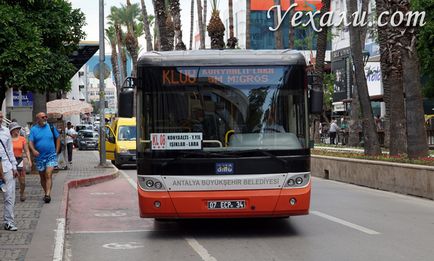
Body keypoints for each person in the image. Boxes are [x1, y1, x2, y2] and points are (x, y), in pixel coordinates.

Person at [29, 112, 60, 203]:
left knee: (48, 174)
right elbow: (30, 142)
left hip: (51, 155)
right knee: (42, 177)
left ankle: (48, 195)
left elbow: (57, 138)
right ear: (38, 119)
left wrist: (56, 150)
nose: (45, 118)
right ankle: (46, 192)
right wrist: (33, 150)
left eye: (46, 117)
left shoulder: (51, 127)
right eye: (43, 117)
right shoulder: (34, 130)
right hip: (40, 157)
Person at [0, 112, 19, 231]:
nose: (1, 118)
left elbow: (10, 150)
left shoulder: (6, 131)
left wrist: (14, 167)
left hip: (6, 167)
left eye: (1, 116)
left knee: (9, 196)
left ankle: (8, 222)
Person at [9, 122, 32, 202]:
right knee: (11, 180)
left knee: (22, 181)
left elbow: (27, 151)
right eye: (16, 129)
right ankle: (10, 196)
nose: (17, 130)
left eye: (18, 129)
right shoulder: (8, 139)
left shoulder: (22, 139)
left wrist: (29, 160)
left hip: (20, 160)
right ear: (12, 130)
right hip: (10, 161)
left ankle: (22, 192)